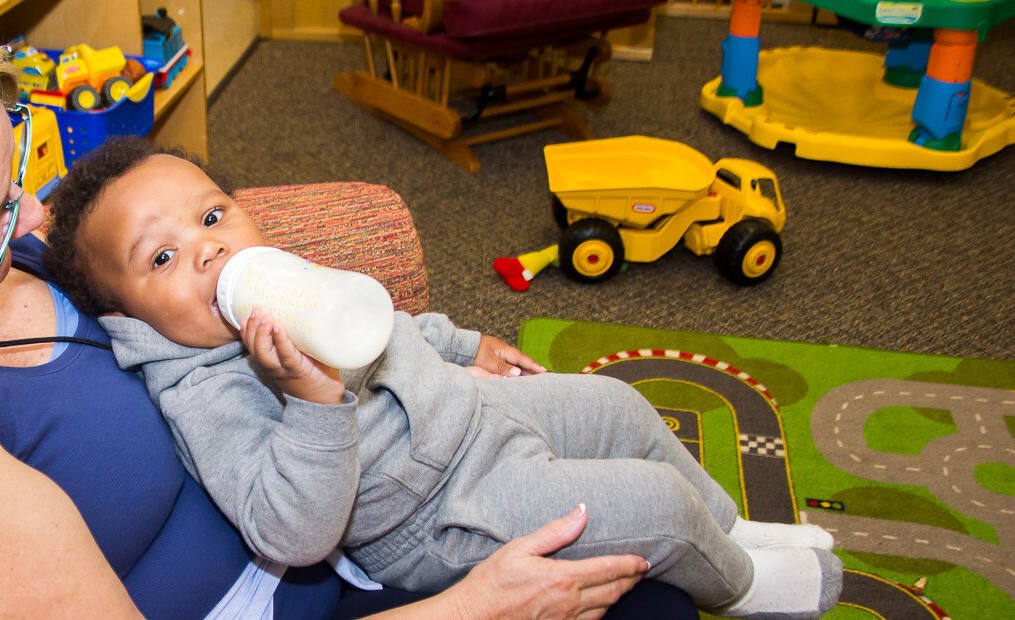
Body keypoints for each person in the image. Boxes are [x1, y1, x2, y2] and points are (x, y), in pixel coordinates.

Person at [0, 0, 683, 616]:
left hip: (353, 511)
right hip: (334, 594)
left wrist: (423, 355)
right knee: (656, 578)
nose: (24, 217)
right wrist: (468, 612)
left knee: (627, 453)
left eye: (13, 162)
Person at [42, 138, 844, 619]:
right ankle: (735, 584)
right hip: (436, 514)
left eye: (212, 217)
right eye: (162, 258)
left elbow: (384, 324)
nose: (208, 250)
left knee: (620, 404)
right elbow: (289, 533)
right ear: (131, 320)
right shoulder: (204, 390)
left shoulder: (276, 279)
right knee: (654, 508)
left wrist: (460, 346)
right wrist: (313, 402)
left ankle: (729, 528)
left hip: (470, 413)